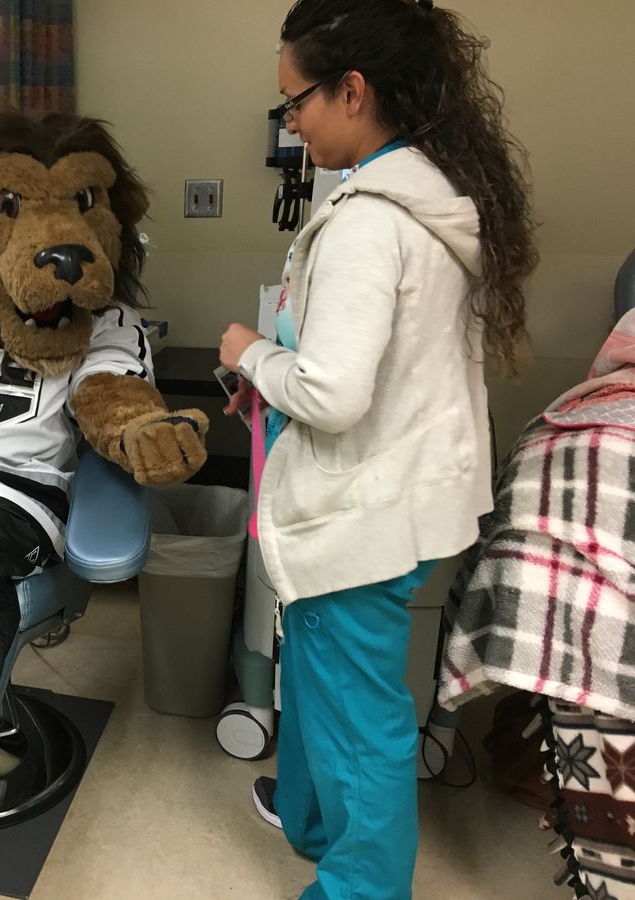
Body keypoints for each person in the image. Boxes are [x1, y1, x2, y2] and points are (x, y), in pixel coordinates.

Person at [219, 1, 538, 897]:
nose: (291, 122)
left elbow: (331, 391)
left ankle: (359, 887)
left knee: (362, 715)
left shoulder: (368, 220)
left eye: (298, 102)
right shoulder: (430, 193)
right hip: (405, 488)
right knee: (323, 674)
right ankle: (313, 817)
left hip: (364, 507)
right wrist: (276, 366)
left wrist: (251, 352)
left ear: (352, 90)